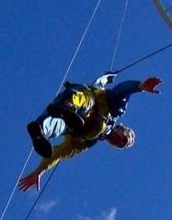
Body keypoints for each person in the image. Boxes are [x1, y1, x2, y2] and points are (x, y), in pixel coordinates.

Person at [18, 74, 162, 191]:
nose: (119, 142)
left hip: (68, 119)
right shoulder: (115, 111)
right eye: (124, 139)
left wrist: (40, 170)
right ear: (122, 129)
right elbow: (121, 91)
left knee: (60, 126)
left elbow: (62, 152)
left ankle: (40, 130)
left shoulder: (89, 141)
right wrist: (139, 86)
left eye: (120, 146)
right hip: (80, 98)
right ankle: (66, 108)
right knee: (85, 102)